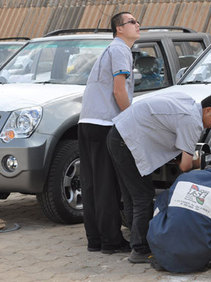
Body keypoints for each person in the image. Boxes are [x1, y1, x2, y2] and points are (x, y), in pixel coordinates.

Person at [107, 92, 211, 263]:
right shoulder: (193, 121)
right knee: (143, 196)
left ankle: (137, 244)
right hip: (127, 141)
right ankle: (140, 249)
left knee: (131, 195)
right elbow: (185, 166)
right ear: (207, 110)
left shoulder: (187, 101)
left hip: (118, 133)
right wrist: (203, 163)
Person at [77, 11, 140, 254]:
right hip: (104, 123)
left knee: (92, 184)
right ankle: (111, 241)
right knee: (106, 186)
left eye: (137, 21)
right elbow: (119, 90)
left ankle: (96, 240)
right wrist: (130, 119)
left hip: (87, 122)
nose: (137, 25)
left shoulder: (111, 49)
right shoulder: (121, 49)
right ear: (119, 28)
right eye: (132, 22)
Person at [146, 150, 211, 273]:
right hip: (196, 260)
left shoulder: (183, 178)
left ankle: (163, 241)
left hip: (160, 252)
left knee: (163, 198)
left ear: (209, 163)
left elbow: (164, 205)